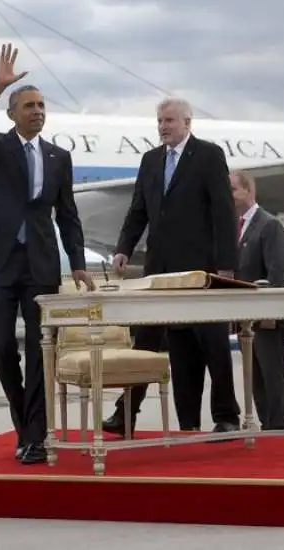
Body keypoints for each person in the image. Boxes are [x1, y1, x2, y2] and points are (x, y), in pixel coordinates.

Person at [0, 44, 95, 465]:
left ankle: (34, 437)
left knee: (41, 350)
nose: (38, 111)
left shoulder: (59, 157)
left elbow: (67, 215)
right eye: (29, 106)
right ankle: (25, 426)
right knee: (3, 351)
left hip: (40, 263)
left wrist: (78, 263)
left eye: (41, 106)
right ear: (13, 112)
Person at [102, 96, 241, 435]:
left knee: (212, 345)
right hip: (159, 269)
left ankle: (226, 416)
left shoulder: (208, 155)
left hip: (200, 270)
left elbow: (224, 212)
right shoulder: (150, 160)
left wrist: (226, 266)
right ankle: (130, 414)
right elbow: (138, 210)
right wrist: (123, 248)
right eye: (160, 122)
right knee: (148, 343)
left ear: (187, 123)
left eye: (169, 121)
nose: (163, 127)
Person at [230, 170, 284, 430]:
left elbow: (277, 273)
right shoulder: (234, 226)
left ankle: (275, 426)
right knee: (254, 373)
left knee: (271, 372)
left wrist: (269, 314)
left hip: (264, 315)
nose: (227, 196)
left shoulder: (269, 225)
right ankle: (266, 422)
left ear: (248, 191)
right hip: (243, 316)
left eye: (232, 190)